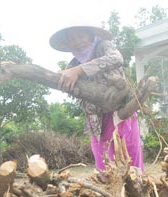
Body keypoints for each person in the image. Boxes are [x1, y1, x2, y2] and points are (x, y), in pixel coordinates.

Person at [49, 25, 144, 172]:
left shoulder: (103, 47)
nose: (78, 41)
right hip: (96, 124)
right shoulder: (73, 64)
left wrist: (79, 71)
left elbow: (116, 58)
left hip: (121, 114)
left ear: (91, 35)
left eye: (81, 36)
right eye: (72, 39)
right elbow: (60, 79)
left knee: (131, 165)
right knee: (105, 170)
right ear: (68, 44)